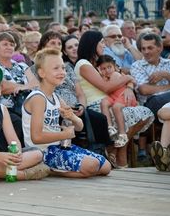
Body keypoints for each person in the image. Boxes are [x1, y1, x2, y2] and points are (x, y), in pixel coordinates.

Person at [23, 48, 111, 177]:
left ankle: (56, 169)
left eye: (63, 68)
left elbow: (79, 126)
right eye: (56, 68)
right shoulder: (38, 98)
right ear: (42, 73)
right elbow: (36, 137)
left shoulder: (56, 98)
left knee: (106, 167)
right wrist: (64, 134)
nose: (62, 72)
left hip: (59, 147)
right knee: (92, 166)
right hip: (43, 151)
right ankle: (50, 170)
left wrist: (73, 118)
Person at [76, 30, 154, 168]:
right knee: (130, 115)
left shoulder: (99, 64)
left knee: (144, 113)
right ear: (92, 44)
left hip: (111, 101)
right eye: (101, 42)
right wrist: (128, 78)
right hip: (97, 106)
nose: (104, 45)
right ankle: (120, 156)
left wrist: (129, 87)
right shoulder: (83, 64)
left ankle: (116, 150)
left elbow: (119, 76)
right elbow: (106, 87)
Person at [96, 55, 137, 146]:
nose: (107, 70)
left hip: (124, 96)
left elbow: (133, 80)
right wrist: (101, 75)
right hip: (114, 97)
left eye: (109, 67)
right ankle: (110, 127)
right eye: (103, 69)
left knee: (116, 107)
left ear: (115, 67)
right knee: (104, 102)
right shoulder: (106, 77)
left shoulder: (116, 74)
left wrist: (129, 86)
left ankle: (122, 134)